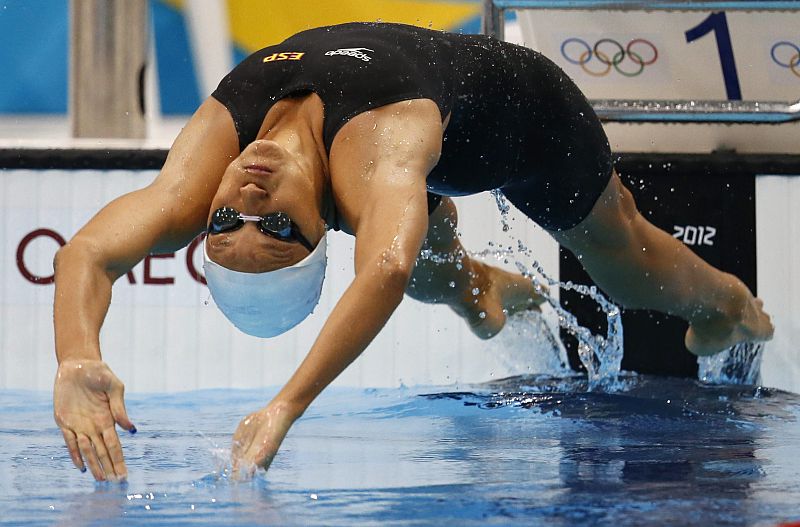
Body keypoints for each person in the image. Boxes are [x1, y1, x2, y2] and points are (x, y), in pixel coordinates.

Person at [52, 22, 773, 482]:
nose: (250, 196)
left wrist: (76, 357)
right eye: (274, 230)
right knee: (622, 268)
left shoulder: (208, 171)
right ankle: (727, 301)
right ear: (325, 229)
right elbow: (385, 268)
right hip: (524, 132)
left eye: (226, 221)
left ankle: (500, 294)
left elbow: (88, 251)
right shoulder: (372, 154)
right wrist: (287, 408)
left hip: (490, 108)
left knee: (594, 248)